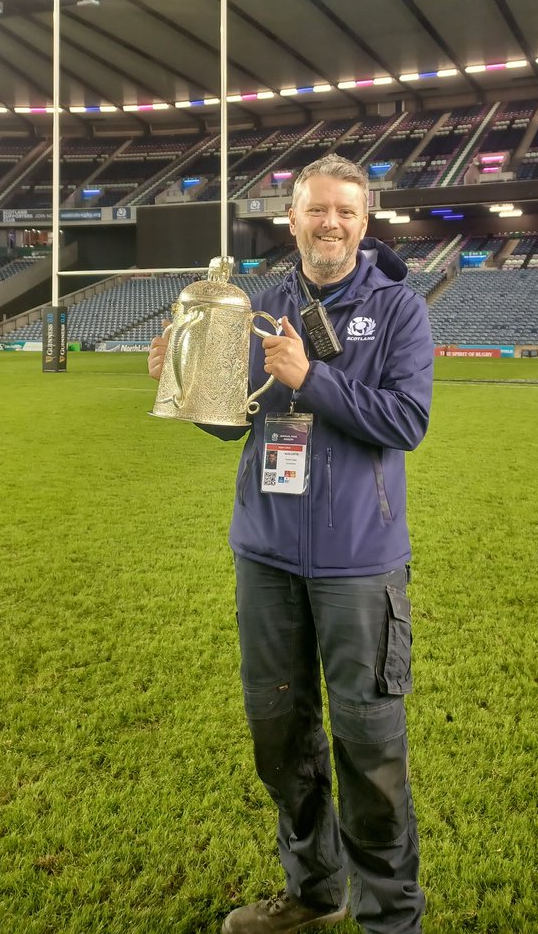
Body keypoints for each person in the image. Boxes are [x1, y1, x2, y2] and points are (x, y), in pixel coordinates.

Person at [149, 153, 434, 933]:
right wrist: (180, 387)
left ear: (364, 222)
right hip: (267, 558)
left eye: (346, 210)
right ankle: (313, 893)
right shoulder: (262, 303)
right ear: (294, 220)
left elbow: (406, 421)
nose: (330, 223)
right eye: (316, 210)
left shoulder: (400, 309)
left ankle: (389, 920)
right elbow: (232, 420)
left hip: (358, 567)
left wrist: (313, 379)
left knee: (369, 751)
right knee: (280, 739)